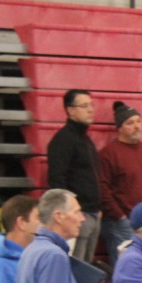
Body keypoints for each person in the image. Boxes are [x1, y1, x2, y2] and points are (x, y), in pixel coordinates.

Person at [98, 101, 142, 265]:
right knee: (126, 266)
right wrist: (119, 216)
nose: (136, 126)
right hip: (121, 222)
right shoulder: (108, 154)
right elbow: (102, 188)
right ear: (119, 128)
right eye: (130, 123)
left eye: (139, 121)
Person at [47, 89, 100, 262]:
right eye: (84, 106)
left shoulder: (86, 140)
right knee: (75, 266)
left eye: (91, 105)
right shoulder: (63, 140)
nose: (90, 110)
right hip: (78, 215)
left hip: (93, 213)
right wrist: (71, 212)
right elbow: (57, 180)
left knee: (86, 268)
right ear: (70, 110)